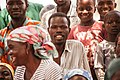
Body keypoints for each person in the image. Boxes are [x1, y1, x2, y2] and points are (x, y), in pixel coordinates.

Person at [68, 0, 104, 79]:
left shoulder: (102, 27)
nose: (84, 12)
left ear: (95, 9)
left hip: (99, 71)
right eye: (81, 9)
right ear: (76, 10)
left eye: (88, 8)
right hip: (81, 72)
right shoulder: (73, 30)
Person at [0, 0, 41, 65]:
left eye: (19, 3)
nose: (15, 7)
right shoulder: (2, 34)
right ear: (6, 7)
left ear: (27, 5)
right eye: (10, 3)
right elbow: (3, 64)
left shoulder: (39, 29)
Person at [94, 10, 120, 80]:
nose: (114, 25)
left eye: (118, 22)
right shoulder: (101, 46)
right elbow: (98, 68)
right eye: (110, 22)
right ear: (103, 26)